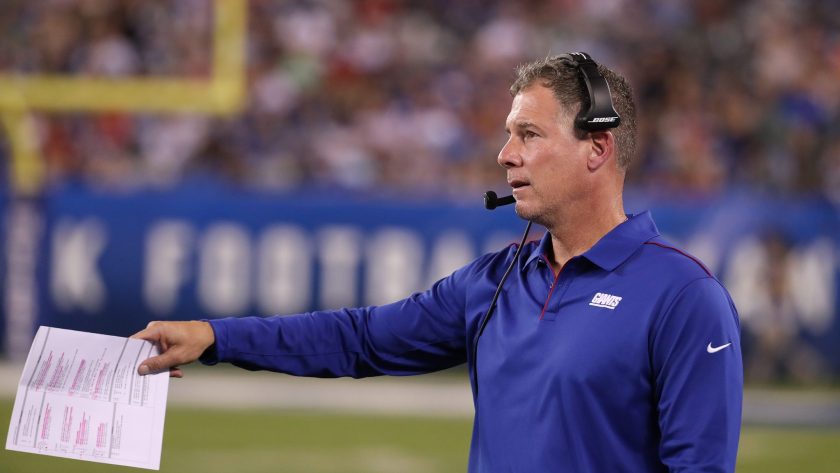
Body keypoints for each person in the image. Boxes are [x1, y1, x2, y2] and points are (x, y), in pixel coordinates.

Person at [133, 53, 743, 472]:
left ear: (598, 148)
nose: (505, 155)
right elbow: (360, 339)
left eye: (529, 134)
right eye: (509, 134)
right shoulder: (495, 281)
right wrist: (215, 337)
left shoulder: (682, 297)